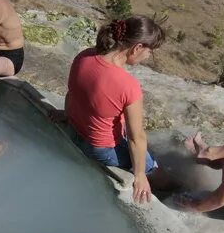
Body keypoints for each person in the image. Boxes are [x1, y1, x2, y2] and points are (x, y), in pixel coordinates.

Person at [61, 15, 165, 204]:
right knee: (154, 167)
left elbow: (72, 94)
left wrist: (65, 115)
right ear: (138, 47)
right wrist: (140, 175)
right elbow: (137, 137)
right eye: (151, 51)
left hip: (74, 129)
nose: (149, 56)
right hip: (98, 149)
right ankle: (159, 190)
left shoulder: (85, 55)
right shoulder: (128, 85)